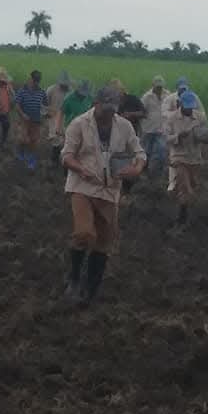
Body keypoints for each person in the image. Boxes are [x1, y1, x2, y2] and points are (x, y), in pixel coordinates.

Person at [61, 86, 146, 305]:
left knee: (104, 242)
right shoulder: (79, 124)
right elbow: (67, 156)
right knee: (84, 233)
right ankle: (74, 279)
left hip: (110, 190)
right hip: (83, 186)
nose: (109, 114)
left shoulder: (124, 126)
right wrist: (80, 168)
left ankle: (92, 288)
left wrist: (136, 168)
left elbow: (139, 152)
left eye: (112, 110)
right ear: (96, 104)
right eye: (105, 109)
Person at [166, 89, 208, 224]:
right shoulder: (172, 119)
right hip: (179, 157)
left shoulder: (200, 117)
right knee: (185, 186)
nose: (189, 110)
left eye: (190, 107)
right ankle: (182, 216)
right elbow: (166, 138)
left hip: (194, 158)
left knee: (192, 184)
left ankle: (184, 205)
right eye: (186, 107)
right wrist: (178, 136)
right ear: (180, 104)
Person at [14, 70, 48, 171]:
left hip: (36, 121)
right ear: (31, 79)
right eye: (35, 80)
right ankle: (20, 151)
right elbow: (17, 105)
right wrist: (22, 114)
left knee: (34, 141)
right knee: (23, 139)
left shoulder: (42, 92)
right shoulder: (22, 91)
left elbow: (45, 105)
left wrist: (45, 114)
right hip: (24, 120)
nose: (36, 82)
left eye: (38, 80)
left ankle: (31, 160)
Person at [140, 75, 169, 173]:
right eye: (157, 87)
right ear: (153, 86)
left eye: (160, 87)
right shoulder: (146, 97)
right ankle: (144, 170)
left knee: (161, 150)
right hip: (148, 129)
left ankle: (157, 172)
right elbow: (141, 110)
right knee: (146, 151)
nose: (159, 89)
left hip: (161, 129)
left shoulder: (167, 95)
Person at [46, 70, 73, 165]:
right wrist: (47, 113)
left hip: (65, 118)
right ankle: (54, 160)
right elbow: (45, 103)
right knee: (55, 139)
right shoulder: (51, 90)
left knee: (65, 139)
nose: (65, 86)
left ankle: (64, 159)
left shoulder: (71, 92)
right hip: (53, 116)